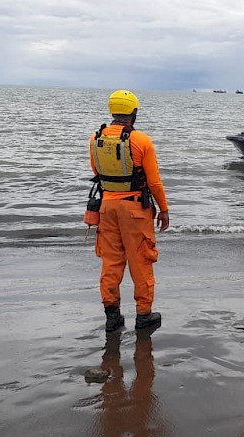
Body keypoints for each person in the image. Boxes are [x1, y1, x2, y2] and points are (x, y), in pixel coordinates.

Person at [89, 90, 170, 332]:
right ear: (134, 112)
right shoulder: (141, 140)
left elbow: (96, 172)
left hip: (106, 207)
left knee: (111, 263)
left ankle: (112, 315)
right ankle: (144, 314)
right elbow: (154, 181)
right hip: (135, 209)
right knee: (141, 262)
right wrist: (163, 209)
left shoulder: (95, 139)